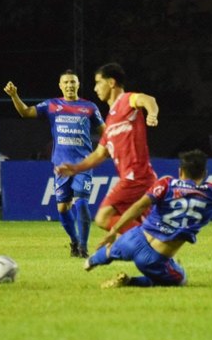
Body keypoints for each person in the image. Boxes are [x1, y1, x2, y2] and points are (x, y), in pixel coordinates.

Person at [84, 148, 212, 288]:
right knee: (180, 280)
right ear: (204, 173)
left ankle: (90, 262)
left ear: (180, 171)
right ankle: (131, 281)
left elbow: (140, 205)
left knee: (110, 251)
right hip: (155, 258)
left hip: (135, 238)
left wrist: (114, 230)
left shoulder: (167, 183)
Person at [4, 70, 106, 258]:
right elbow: (26, 112)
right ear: (60, 85)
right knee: (62, 208)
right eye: (66, 82)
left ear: (78, 84)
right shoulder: (52, 105)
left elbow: (106, 132)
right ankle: (75, 242)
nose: (69, 85)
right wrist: (14, 95)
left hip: (83, 165)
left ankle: (83, 248)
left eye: (73, 82)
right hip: (61, 166)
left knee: (82, 203)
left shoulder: (90, 107)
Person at [56, 62, 159, 235]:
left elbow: (148, 100)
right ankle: (154, 247)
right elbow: (99, 153)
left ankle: (148, 241)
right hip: (137, 179)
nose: (96, 88)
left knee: (103, 218)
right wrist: (75, 168)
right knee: (132, 222)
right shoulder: (110, 121)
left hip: (136, 177)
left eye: (98, 82)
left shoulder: (126, 100)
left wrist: (152, 114)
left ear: (111, 82)